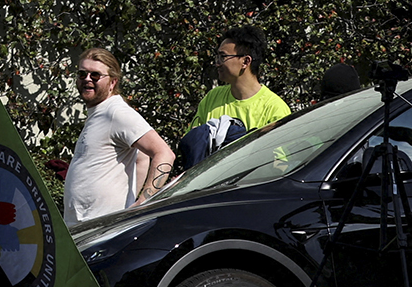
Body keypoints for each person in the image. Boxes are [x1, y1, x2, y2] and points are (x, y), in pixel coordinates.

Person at [64, 48, 176, 223]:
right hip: (84, 230)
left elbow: (164, 154)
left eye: (95, 75)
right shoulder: (99, 114)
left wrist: (143, 202)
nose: (87, 79)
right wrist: (129, 202)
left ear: (112, 82)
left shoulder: (116, 113)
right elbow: (142, 158)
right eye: (82, 73)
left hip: (100, 232)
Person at [194, 27, 292, 138]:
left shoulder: (274, 109)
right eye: (218, 57)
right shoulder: (212, 98)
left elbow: (279, 154)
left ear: (245, 61)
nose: (218, 63)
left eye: (223, 57)